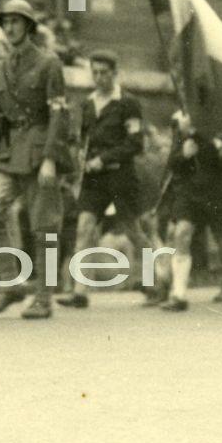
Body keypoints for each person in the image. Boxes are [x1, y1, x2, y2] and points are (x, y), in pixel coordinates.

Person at [0, 0, 71, 320]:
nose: (9, 28)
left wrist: (50, 158)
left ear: (29, 27)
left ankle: (44, 297)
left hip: (39, 149)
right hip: (9, 152)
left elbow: (59, 113)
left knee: (44, 224)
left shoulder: (49, 63)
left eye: (16, 22)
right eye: (5, 23)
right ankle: (9, 284)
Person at [59, 51, 157, 309]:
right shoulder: (88, 104)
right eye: (96, 72)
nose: (100, 78)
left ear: (115, 73)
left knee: (132, 230)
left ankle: (155, 283)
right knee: (84, 227)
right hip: (94, 179)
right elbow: (84, 138)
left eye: (105, 72)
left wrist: (102, 159)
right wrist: (82, 154)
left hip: (120, 176)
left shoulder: (127, 103)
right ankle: (79, 291)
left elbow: (135, 143)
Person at [158, 110, 222, 312]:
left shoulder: (221, 121)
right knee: (181, 233)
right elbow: (172, 163)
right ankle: (178, 294)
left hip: (216, 193)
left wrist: (220, 147)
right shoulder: (181, 121)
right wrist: (183, 153)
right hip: (190, 193)